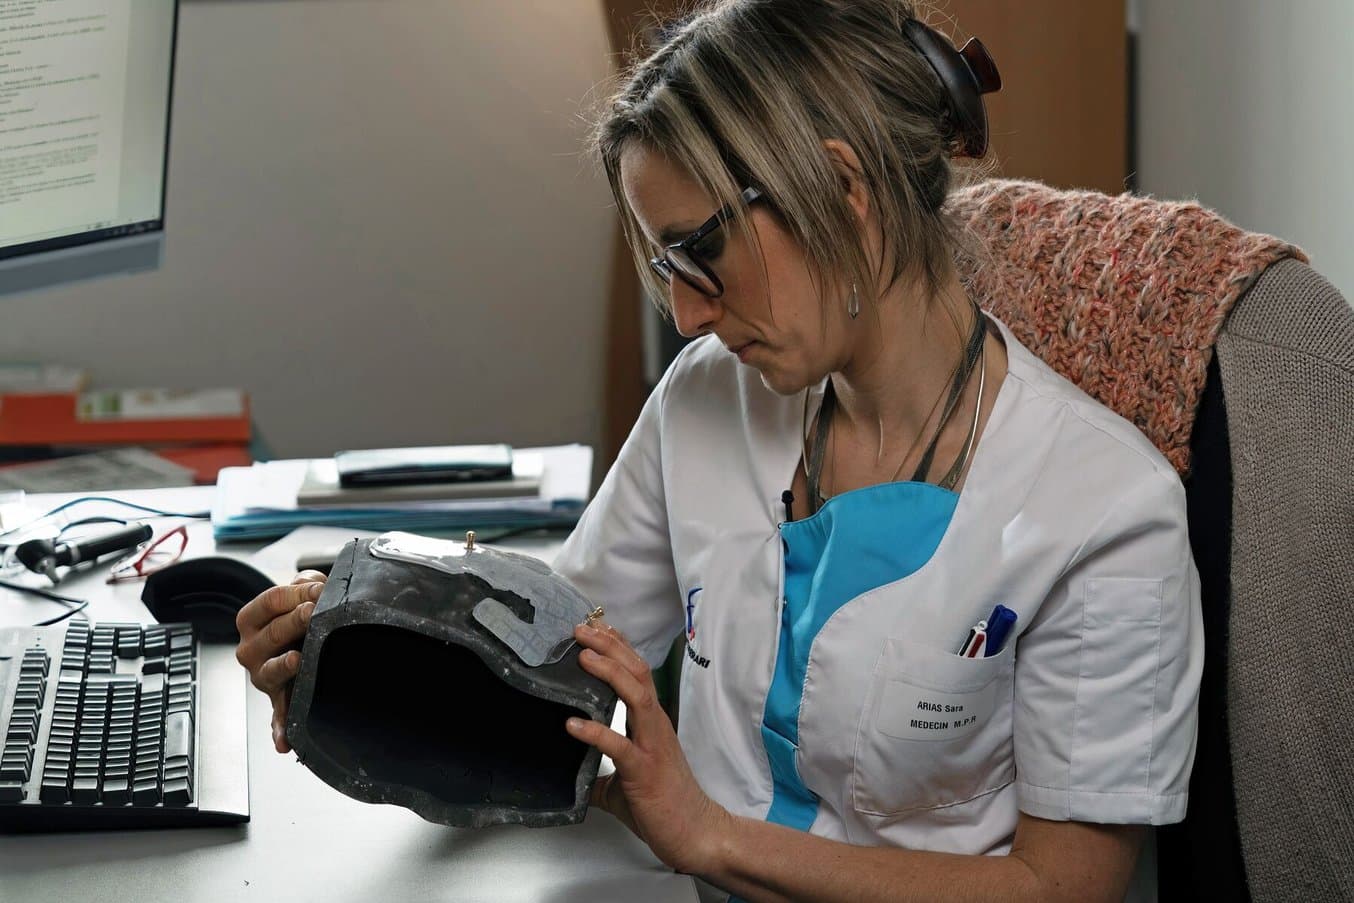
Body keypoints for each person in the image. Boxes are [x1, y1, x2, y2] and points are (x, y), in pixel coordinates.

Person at [235, 2, 1203, 900]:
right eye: (665, 268)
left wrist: (708, 836)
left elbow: (1059, 889)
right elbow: (564, 656)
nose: (689, 315)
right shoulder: (708, 399)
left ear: (840, 186)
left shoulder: (1104, 508)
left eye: (701, 253)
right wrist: (366, 646)